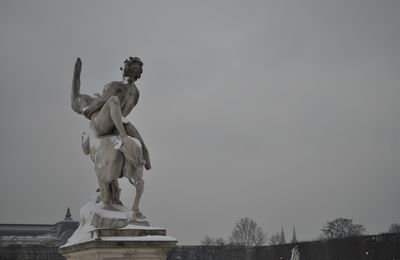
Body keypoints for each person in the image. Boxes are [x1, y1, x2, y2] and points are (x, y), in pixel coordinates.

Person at [71, 57, 151, 170]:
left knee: (114, 101)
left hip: (110, 124)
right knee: (132, 129)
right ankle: (146, 159)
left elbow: (101, 101)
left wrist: (87, 112)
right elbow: (123, 113)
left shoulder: (116, 86)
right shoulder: (136, 93)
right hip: (116, 125)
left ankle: (129, 142)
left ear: (125, 70)